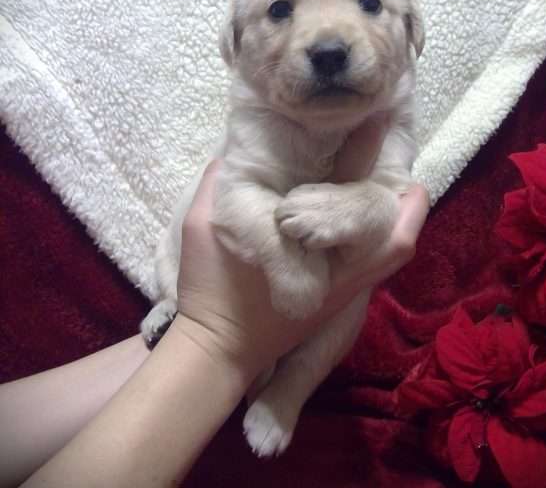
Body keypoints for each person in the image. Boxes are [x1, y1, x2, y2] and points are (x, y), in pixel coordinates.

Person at [0, 119, 429, 487]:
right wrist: (220, 340)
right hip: (207, 294)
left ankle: (289, 387)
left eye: (371, 12)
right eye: (280, 14)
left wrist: (204, 333)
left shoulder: (392, 118)